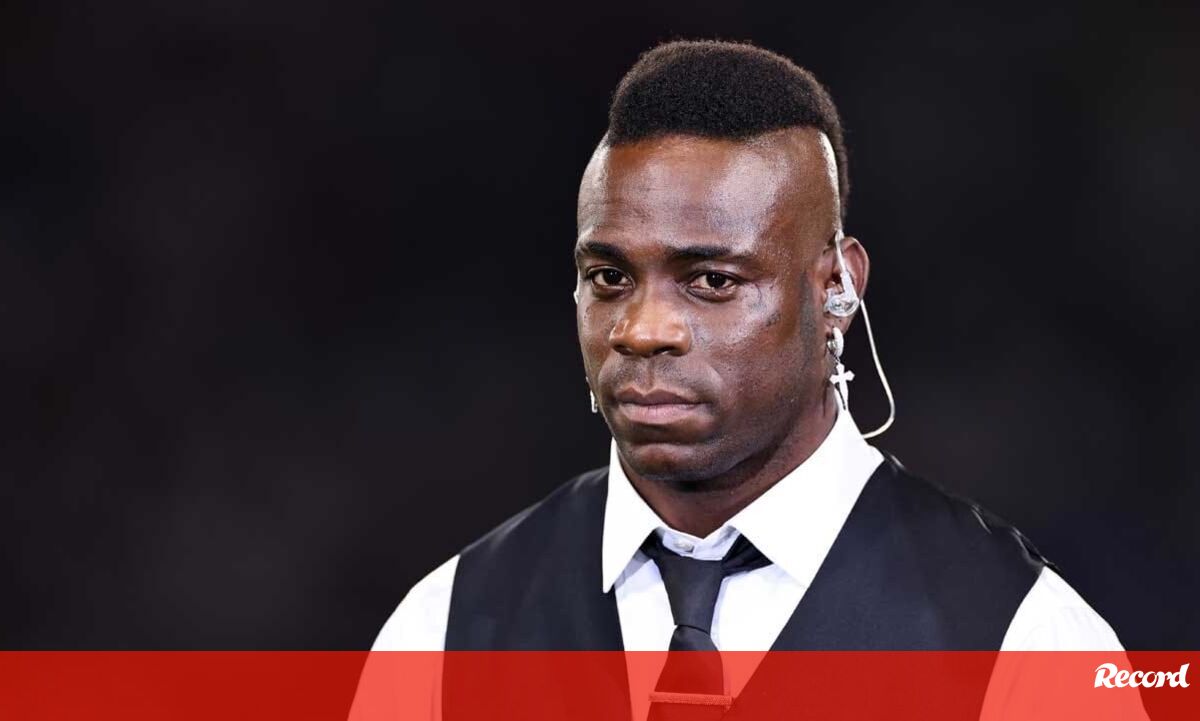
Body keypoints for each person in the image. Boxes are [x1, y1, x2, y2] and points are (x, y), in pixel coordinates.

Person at [358, 39, 1143, 720]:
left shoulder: (1024, 644)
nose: (643, 329)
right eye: (609, 277)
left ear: (836, 288)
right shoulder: (443, 632)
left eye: (712, 281)